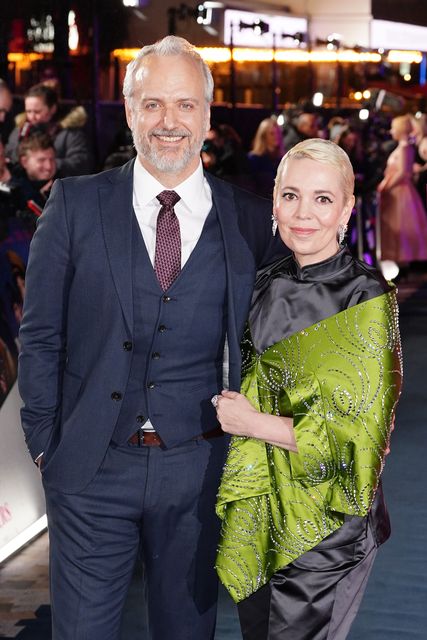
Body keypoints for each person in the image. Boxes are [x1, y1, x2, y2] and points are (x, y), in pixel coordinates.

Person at [18, 35, 287, 640]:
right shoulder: (76, 204)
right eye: (154, 104)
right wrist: (46, 444)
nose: (170, 122)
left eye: (186, 105)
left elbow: (277, 338)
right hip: (89, 469)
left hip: (200, 472)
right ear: (130, 109)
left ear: (208, 115)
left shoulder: (248, 218)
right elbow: (39, 336)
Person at [214, 138, 403, 640]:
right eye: (291, 195)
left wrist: (250, 423)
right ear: (274, 201)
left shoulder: (365, 297)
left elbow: (357, 439)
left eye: (322, 199)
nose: (304, 214)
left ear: (346, 209)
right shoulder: (262, 279)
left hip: (327, 524)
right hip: (259, 505)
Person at [6, 82, 93, 177]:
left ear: (52, 109)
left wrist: (47, 164)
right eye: (28, 111)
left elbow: (80, 164)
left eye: (37, 112)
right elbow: (9, 154)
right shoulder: (22, 129)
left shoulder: (70, 133)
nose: (32, 116)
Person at [377, 114, 427, 266]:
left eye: (393, 128)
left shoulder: (405, 148)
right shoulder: (402, 147)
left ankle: (401, 264)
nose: (391, 131)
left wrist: (386, 185)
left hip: (400, 192)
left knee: (401, 227)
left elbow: (403, 173)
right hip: (396, 191)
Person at [247, 117, 284, 199]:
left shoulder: (283, 160)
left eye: (278, 133)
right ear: (263, 136)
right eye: (272, 133)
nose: (276, 137)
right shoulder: (253, 159)